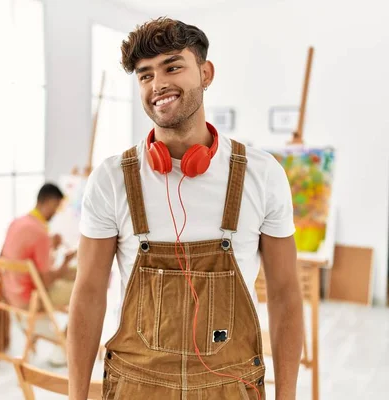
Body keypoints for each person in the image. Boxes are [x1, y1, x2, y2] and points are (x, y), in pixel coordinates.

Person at [68, 18, 304, 399]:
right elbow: (88, 293)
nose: (158, 84)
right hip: (136, 388)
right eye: (145, 75)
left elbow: (285, 293)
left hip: (231, 387)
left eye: (173, 67)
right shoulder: (111, 180)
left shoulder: (263, 175)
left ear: (205, 73)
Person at [0, 183, 77, 365]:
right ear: (49, 202)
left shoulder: (17, 223)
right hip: (29, 299)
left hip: (10, 292)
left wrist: (50, 245)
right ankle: (64, 346)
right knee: (86, 291)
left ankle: (58, 344)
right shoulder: (40, 232)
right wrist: (65, 263)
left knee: (74, 276)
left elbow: (9, 253)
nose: (56, 212)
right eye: (57, 206)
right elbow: (46, 281)